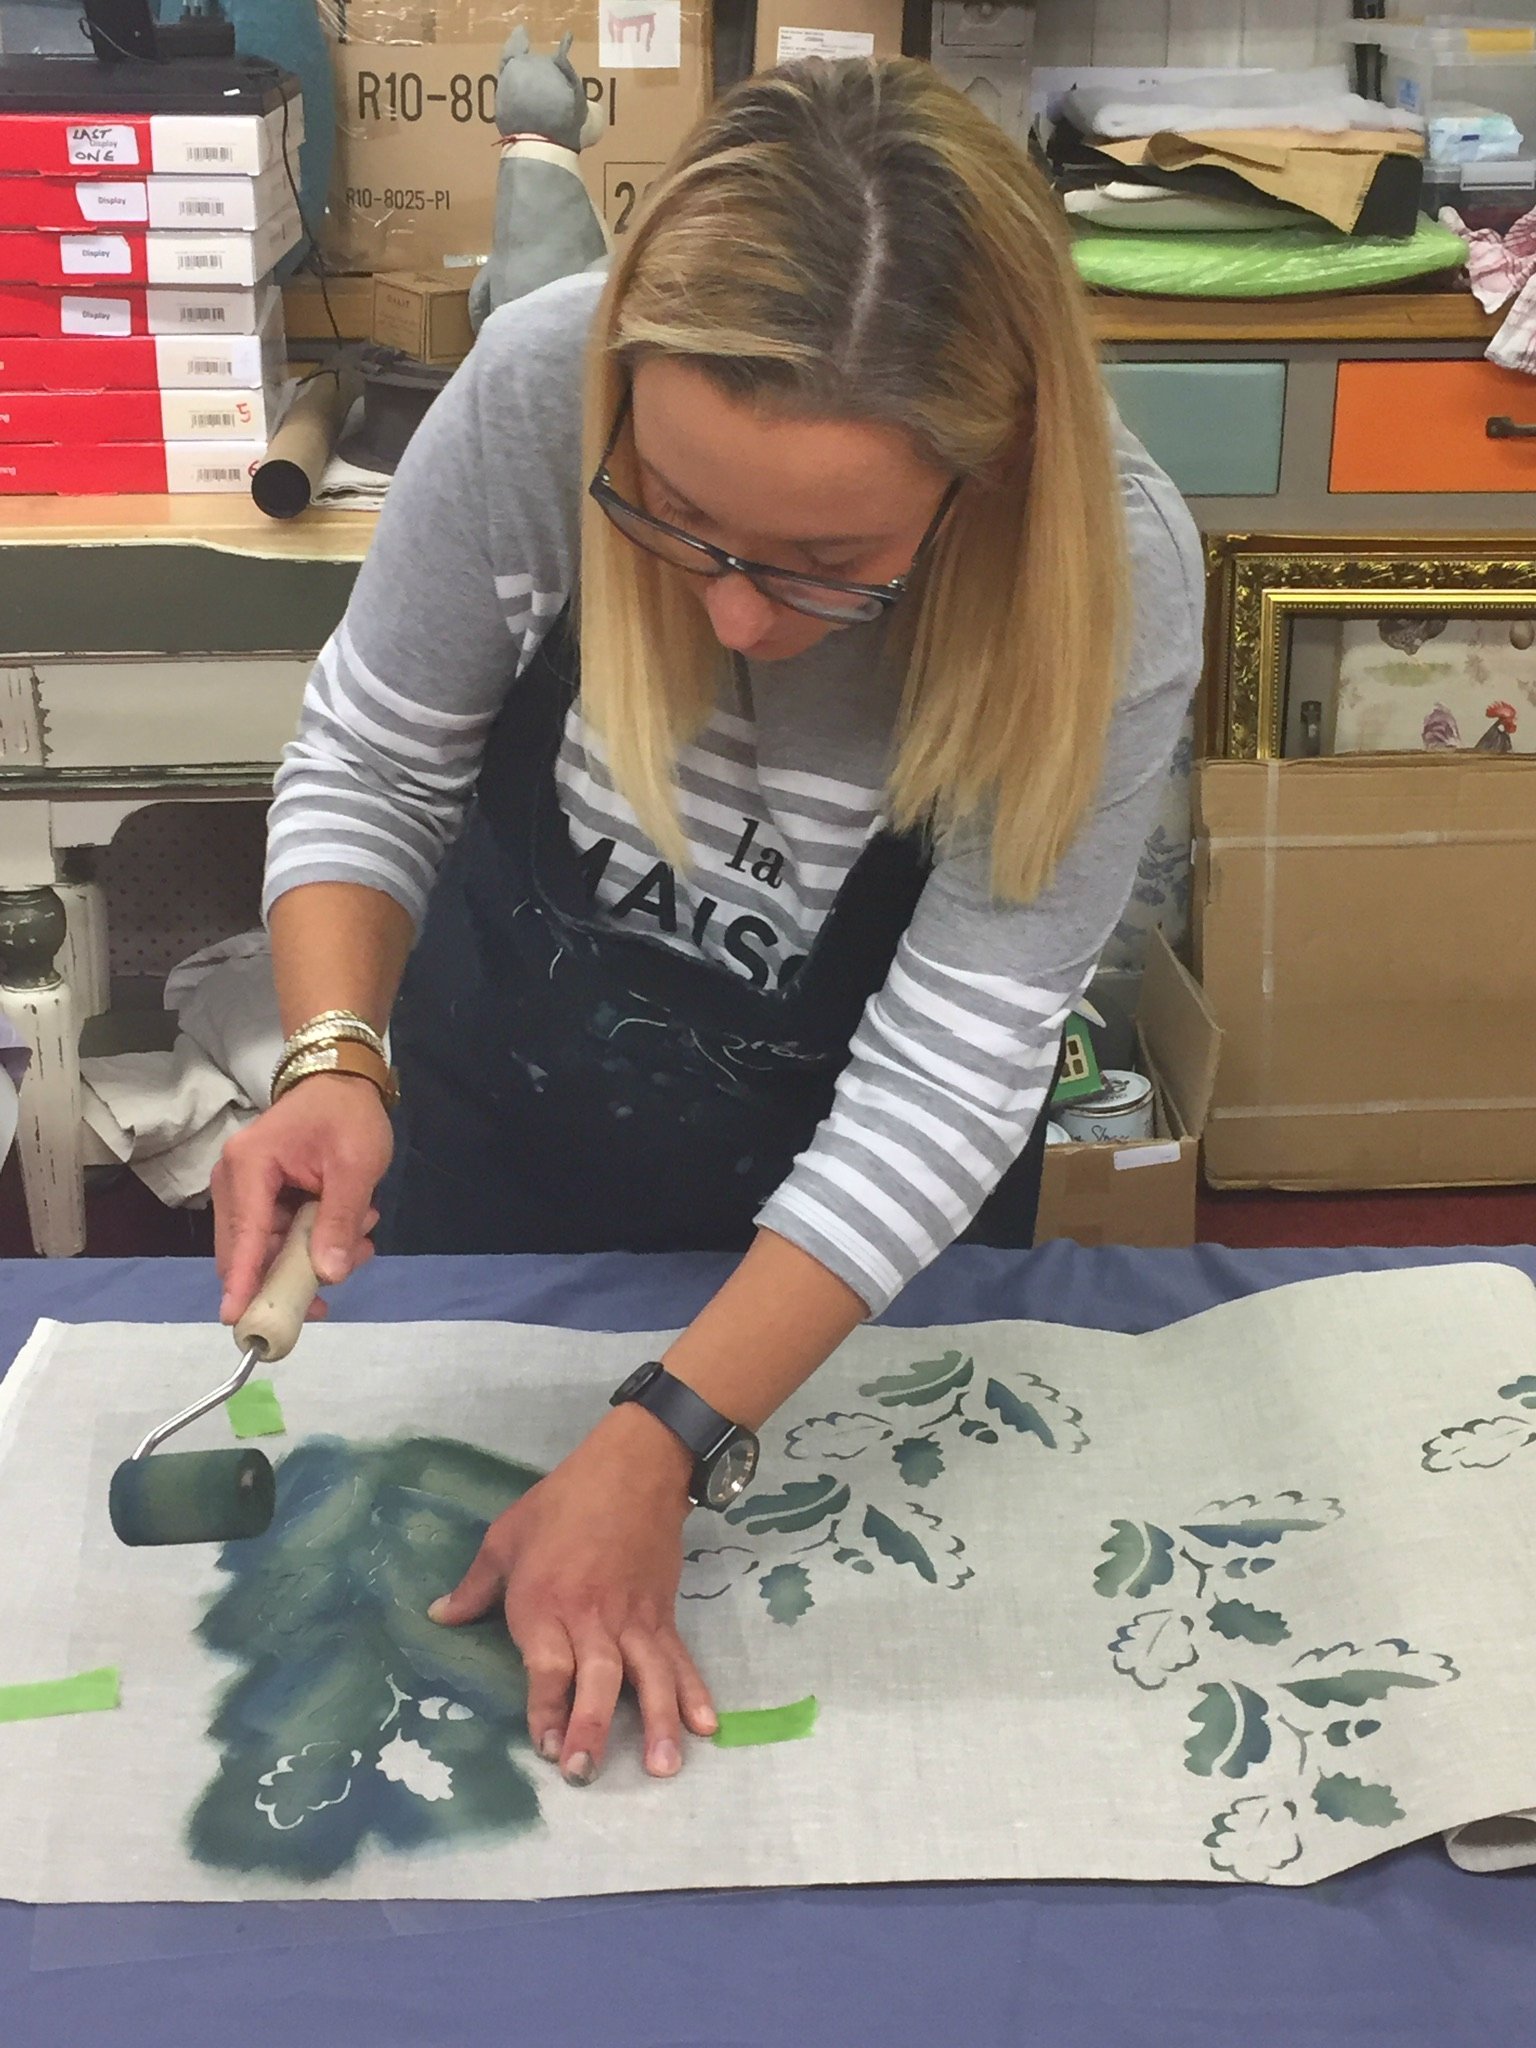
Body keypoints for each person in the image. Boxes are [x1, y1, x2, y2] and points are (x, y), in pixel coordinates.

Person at [215, 57, 1203, 1792]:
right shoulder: (541, 389)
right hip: (499, 1173)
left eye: (827, 559)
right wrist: (336, 1052)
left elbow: (952, 1072)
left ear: (986, 480)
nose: (737, 618)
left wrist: (667, 1434)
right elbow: (372, 762)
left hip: (854, 1275)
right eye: (674, 520)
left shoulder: (1107, 576)